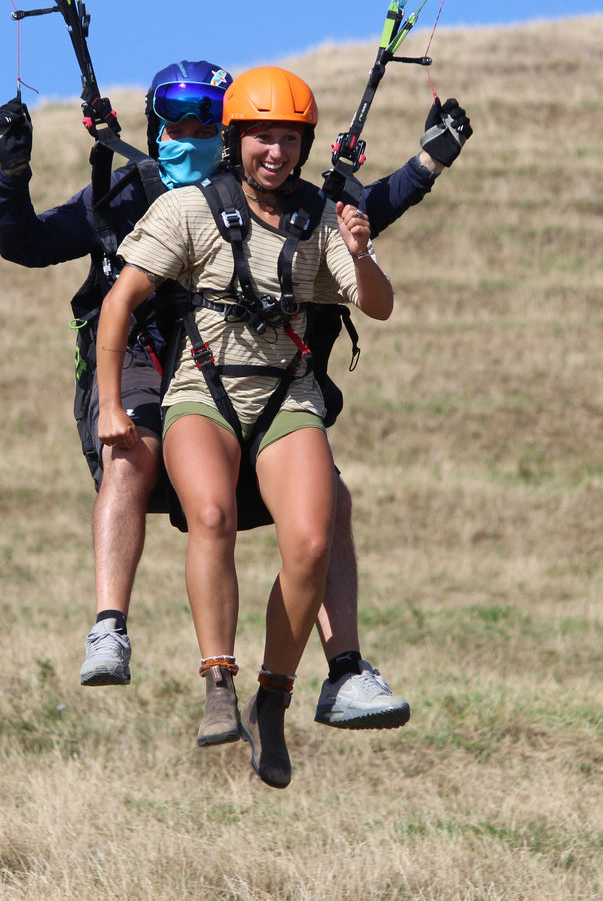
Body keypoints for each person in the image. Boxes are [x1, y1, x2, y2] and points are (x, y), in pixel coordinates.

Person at [0, 60, 472, 738]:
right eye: (174, 121)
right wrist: (10, 178)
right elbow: (29, 244)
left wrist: (424, 164)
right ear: (156, 126)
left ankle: (342, 666)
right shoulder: (132, 195)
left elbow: (347, 222)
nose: (189, 132)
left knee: (328, 504)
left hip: (264, 379)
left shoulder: (270, 198)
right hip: (157, 365)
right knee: (133, 453)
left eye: (203, 121)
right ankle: (110, 626)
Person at [97, 65, 393, 788]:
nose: (276, 151)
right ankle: (218, 680)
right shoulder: (189, 209)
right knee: (210, 513)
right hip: (202, 390)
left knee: (313, 542)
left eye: (289, 139)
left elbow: (379, 305)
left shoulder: (322, 218)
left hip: (286, 397)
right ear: (235, 139)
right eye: (262, 135)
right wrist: (109, 405)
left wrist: (356, 249)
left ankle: (274, 696)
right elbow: (119, 302)